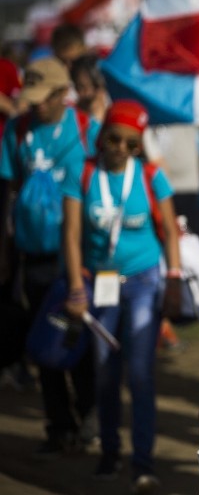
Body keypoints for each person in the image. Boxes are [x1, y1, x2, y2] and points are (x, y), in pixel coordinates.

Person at [62, 99, 182, 492]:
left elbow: (168, 227)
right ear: (102, 136)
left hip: (144, 281)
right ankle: (110, 453)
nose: (120, 149)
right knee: (105, 373)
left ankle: (143, 461)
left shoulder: (150, 176)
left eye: (131, 144)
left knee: (142, 374)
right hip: (100, 284)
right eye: (114, 139)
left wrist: (175, 279)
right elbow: (72, 235)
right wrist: (77, 287)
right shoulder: (82, 174)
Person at [0, 56, 101, 457]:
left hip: (81, 257)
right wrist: (5, 253)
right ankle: (59, 425)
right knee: (45, 343)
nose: (36, 105)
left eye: (45, 97)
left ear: (64, 94)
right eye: (32, 97)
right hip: (36, 254)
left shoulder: (87, 130)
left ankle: (90, 413)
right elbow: (7, 194)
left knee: (81, 339)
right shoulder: (17, 129)